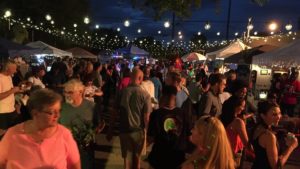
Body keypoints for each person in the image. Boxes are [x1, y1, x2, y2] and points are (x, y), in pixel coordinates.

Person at [0, 89, 81, 169]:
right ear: (35, 113)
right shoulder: (14, 135)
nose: (57, 115)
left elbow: (75, 166)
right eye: (51, 112)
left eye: (59, 111)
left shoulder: (64, 134)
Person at [60, 79, 105, 169]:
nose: (66, 95)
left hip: (86, 150)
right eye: (65, 92)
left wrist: (91, 134)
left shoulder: (92, 107)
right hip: (65, 151)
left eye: (70, 92)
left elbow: (99, 124)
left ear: (80, 92)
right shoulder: (61, 108)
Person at [118, 68, 152, 169]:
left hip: (124, 129)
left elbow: (114, 111)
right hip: (138, 130)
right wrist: (148, 134)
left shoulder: (122, 92)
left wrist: (110, 129)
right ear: (140, 78)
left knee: (127, 160)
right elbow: (146, 117)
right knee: (137, 159)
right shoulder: (145, 95)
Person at [251, 101, 298, 169]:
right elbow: (276, 166)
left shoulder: (258, 127)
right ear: (263, 116)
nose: (279, 117)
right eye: (274, 114)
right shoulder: (269, 136)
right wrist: (292, 147)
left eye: (279, 113)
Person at [147, 85, 185, 169]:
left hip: (159, 157)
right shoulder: (182, 113)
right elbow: (188, 136)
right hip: (178, 158)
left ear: (163, 96)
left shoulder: (156, 114)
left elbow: (150, 137)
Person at [220, 97, 248, 167]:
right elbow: (246, 142)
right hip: (233, 155)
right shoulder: (238, 122)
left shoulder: (219, 118)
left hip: (221, 152)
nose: (243, 109)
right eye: (242, 106)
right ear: (235, 106)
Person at [0, 60, 22, 131]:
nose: (15, 71)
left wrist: (17, 91)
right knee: (3, 133)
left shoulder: (9, 77)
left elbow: (8, 92)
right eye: (14, 69)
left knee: (11, 131)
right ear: (7, 68)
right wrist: (12, 91)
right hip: (2, 112)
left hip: (11, 109)